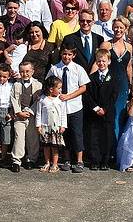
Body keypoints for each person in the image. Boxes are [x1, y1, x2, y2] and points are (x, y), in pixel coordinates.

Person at [46, 41, 90, 173]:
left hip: (74, 106)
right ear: (61, 54)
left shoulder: (78, 69)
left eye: (69, 54)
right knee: (63, 134)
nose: (66, 57)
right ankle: (66, 159)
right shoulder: (55, 69)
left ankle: (79, 161)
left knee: (77, 133)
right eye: (64, 54)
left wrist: (69, 96)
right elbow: (48, 84)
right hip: (59, 108)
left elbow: (83, 87)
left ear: (74, 55)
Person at [97, 16, 133, 141]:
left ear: (125, 29)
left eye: (121, 28)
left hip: (123, 84)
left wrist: (131, 84)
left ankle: (119, 148)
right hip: (109, 83)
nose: (118, 30)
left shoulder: (129, 47)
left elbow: (129, 67)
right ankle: (111, 149)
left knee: (121, 115)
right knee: (111, 115)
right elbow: (98, 64)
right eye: (116, 27)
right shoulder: (106, 44)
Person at [83, 49, 118, 170]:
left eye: (104, 61)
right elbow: (87, 95)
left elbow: (114, 96)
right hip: (94, 113)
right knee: (94, 137)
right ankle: (95, 160)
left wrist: (105, 109)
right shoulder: (91, 78)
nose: (101, 63)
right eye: (99, 61)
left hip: (108, 113)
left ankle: (105, 161)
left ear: (108, 61)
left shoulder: (113, 77)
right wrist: (96, 108)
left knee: (107, 137)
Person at [10, 61, 43, 172]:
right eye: (22, 72)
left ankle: (31, 159)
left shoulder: (38, 85)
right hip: (19, 115)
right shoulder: (16, 84)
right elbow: (13, 99)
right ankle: (16, 160)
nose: (25, 74)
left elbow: (38, 100)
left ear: (32, 71)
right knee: (18, 137)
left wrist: (30, 111)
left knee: (32, 137)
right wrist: (18, 112)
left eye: (27, 71)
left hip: (32, 115)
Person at [36, 76, 67, 173]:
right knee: (46, 146)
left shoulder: (60, 100)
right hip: (45, 126)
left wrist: (63, 126)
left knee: (55, 146)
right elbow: (39, 113)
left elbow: (63, 113)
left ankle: (55, 164)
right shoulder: (42, 99)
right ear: (51, 89)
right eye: (58, 88)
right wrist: (38, 125)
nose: (60, 90)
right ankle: (47, 162)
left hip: (56, 127)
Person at [62, 9, 104, 73]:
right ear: (79, 22)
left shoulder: (99, 39)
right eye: (82, 21)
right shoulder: (69, 39)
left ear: (93, 22)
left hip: (94, 78)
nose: (85, 23)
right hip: (75, 77)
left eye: (88, 21)